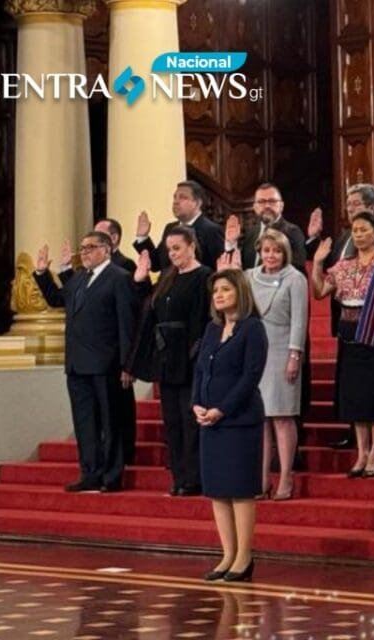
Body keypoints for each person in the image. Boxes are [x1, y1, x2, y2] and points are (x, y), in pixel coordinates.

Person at [32, 232, 135, 493]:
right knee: (84, 422)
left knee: (110, 422)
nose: (85, 252)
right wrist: (43, 274)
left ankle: (111, 476)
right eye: (83, 248)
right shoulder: (80, 278)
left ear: (107, 249)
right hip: (77, 364)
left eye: (91, 247)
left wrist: (127, 364)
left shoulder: (119, 278)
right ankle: (90, 472)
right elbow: (58, 300)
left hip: (106, 363)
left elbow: (126, 323)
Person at [310, 211, 374, 477]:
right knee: (356, 397)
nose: (359, 234)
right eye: (355, 230)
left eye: (364, 229)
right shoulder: (343, 265)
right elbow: (319, 292)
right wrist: (317, 263)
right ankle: (361, 453)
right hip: (350, 337)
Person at [219, 229, 308, 500]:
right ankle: (260, 479)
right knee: (260, 418)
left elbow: (299, 321)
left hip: (282, 351)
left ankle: (285, 478)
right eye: (267, 250)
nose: (271, 256)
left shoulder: (295, 279)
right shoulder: (248, 276)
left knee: (281, 416)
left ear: (285, 253)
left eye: (277, 251)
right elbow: (237, 310)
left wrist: (295, 355)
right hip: (255, 352)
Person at [195, 269, 268, 583]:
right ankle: (227, 554)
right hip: (209, 421)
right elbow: (200, 371)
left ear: (240, 291)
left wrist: (222, 409)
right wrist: (197, 404)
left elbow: (250, 376)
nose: (219, 295)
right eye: (215, 291)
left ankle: (244, 557)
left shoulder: (253, 329)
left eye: (225, 289)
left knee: (239, 490)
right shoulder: (212, 329)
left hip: (239, 420)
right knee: (218, 492)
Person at [129, 226, 213, 497]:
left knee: (190, 420)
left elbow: (204, 320)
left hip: (190, 356)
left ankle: (194, 478)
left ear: (192, 246)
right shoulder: (167, 276)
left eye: (177, 248)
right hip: (165, 357)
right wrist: (141, 281)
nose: (173, 254)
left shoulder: (204, 277)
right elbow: (150, 309)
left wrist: (196, 354)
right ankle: (178, 476)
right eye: (169, 250)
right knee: (172, 421)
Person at [306, 183, 374, 450]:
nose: (350, 211)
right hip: (345, 320)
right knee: (351, 383)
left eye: (356, 205)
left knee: (372, 385)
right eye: (348, 206)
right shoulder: (342, 237)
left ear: (371, 207)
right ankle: (355, 434)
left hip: (373, 324)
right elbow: (328, 271)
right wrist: (314, 242)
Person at [133, 180, 226, 275]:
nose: (176, 202)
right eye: (175, 197)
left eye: (183, 197)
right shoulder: (170, 228)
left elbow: (219, 270)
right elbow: (156, 264)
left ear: (198, 203)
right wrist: (143, 238)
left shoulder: (211, 230)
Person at [226, 183, 309, 273]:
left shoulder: (293, 232)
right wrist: (231, 243)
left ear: (281, 206)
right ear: (255, 207)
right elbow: (238, 267)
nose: (267, 206)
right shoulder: (251, 233)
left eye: (272, 201)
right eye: (261, 202)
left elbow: (297, 270)